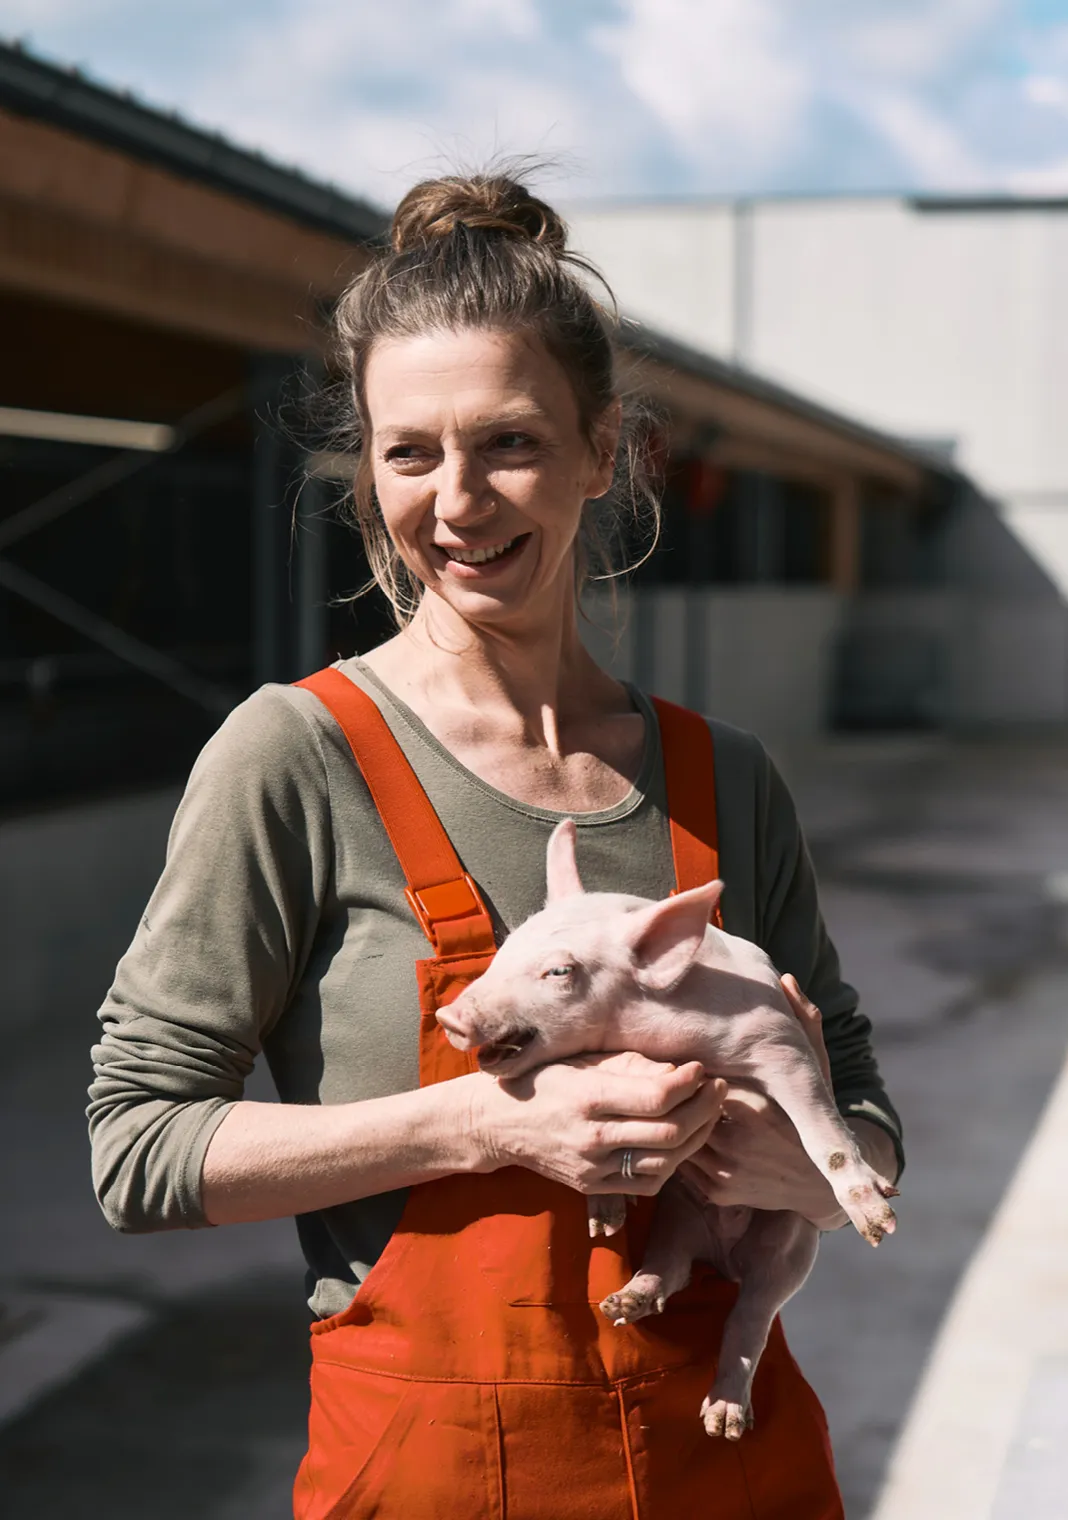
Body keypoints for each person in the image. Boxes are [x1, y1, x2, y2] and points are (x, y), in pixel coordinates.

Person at [89, 171, 902, 1520]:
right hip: (433, 1477)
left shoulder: (724, 782)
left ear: (607, 452)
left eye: (510, 443)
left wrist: (803, 1161)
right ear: (370, 471)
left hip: (725, 1465)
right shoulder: (296, 757)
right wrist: (482, 1121)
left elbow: (863, 1097)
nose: (458, 502)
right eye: (410, 452)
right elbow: (136, 1153)